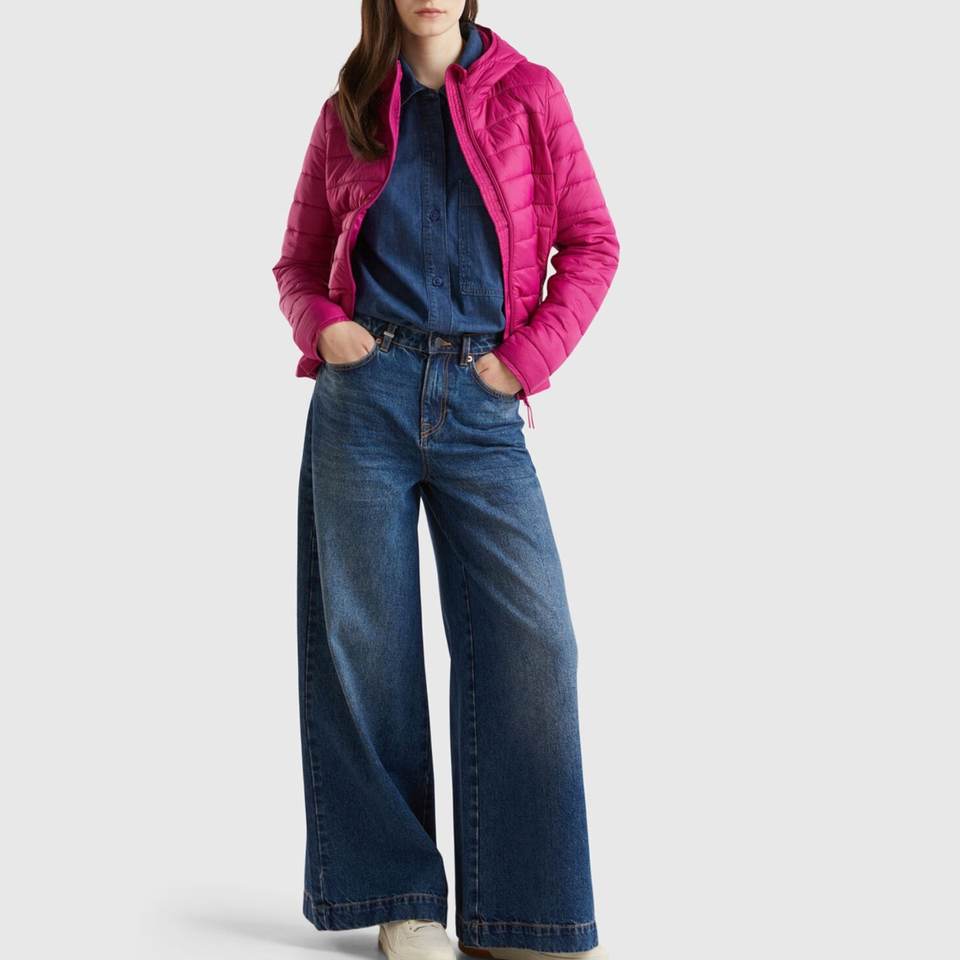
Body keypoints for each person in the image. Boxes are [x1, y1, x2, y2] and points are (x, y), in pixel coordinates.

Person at [271, 3, 619, 958]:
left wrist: (525, 361)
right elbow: (297, 263)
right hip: (366, 398)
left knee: (535, 642)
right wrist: (324, 330)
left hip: (481, 401)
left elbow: (594, 243)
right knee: (367, 646)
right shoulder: (349, 107)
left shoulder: (531, 95)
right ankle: (403, 900)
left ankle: (522, 913)